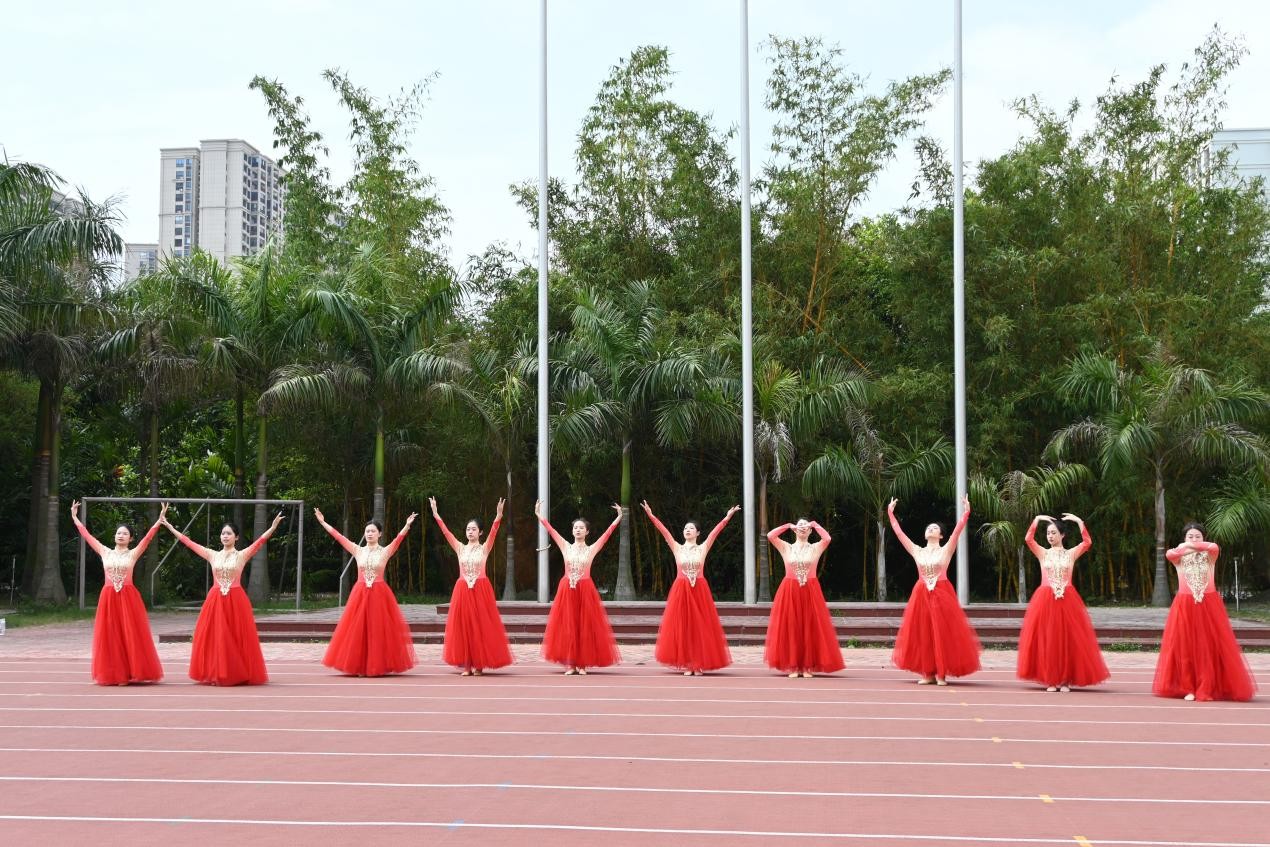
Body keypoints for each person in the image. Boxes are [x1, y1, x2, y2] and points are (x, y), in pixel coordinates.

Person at [162, 510, 283, 686]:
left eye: (229, 533)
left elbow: (260, 542)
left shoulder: (242, 555)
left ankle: (237, 672)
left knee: (236, 637)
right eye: (223, 533)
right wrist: (170, 526)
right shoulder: (212, 555)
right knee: (216, 637)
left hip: (236, 600)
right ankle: (216, 672)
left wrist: (273, 527)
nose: (225, 536)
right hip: (216, 600)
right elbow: (188, 542)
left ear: (236, 537)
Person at [1153, 523, 1257, 702]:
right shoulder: (1178, 556)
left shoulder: (1210, 553)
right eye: (1190, 536)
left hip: (1208, 604)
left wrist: (1188, 545)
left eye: (1198, 536)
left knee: (1207, 647)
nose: (1194, 539)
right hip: (1185, 604)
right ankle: (1188, 688)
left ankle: (1207, 686)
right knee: (1184, 647)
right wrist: (1187, 546)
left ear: (1203, 537)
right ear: (1184, 538)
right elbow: (1170, 553)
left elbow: (1213, 546)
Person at [70, 500, 167, 685]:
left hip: (128, 597)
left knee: (130, 634)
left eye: (125, 533)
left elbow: (147, 539)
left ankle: (131, 672)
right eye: (118, 533)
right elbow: (87, 536)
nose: (121, 535)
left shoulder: (133, 553)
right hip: (108, 598)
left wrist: (159, 520)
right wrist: (75, 518)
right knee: (110, 635)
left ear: (131, 539)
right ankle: (115, 673)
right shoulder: (105, 551)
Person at [889, 496, 981, 685]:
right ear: (925, 535)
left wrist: (966, 513)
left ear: (941, 536)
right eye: (929, 528)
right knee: (924, 633)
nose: (931, 529)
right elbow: (900, 534)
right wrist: (890, 513)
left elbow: (957, 532)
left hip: (942, 593)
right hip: (921, 594)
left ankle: (941, 673)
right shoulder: (917, 550)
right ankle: (927, 673)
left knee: (942, 634)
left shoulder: (946, 549)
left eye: (935, 528)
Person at [314, 508, 418, 677]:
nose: (369, 534)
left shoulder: (385, 551)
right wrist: (322, 522)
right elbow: (338, 536)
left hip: (379, 594)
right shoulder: (358, 550)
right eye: (367, 531)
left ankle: (378, 664)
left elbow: (398, 539)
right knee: (358, 630)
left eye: (373, 531)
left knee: (377, 629)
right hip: (360, 594)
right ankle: (359, 666)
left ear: (379, 534)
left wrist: (407, 525)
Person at [1016, 513, 1109, 692]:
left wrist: (1079, 521)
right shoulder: (1042, 553)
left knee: (1066, 640)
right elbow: (1028, 539)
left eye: (1053, 533)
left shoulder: (1070, 554)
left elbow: (1087, 542)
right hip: (1046, 600)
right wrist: (1037, 520)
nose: (1050, 536)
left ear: (1062, 535)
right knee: (1049, 640)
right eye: (1048, 533)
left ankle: (1065, 680)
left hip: (1067, 600)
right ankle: (1051, 680)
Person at [642, 501, 738, 675]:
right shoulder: (676, 547)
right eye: (685, 528)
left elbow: (716, 532)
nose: (687, 530)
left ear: (698, 533)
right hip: (681, 591)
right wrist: (651, 514)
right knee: (683, 628)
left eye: (691, 528)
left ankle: (698, 663)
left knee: (700, 628)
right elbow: (663, 531)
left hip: (699, 590)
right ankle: (687, 663)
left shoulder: (703, 548)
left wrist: (727, 517)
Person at [535, 500, 622, 674]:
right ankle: (570, 663)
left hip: (585, 591)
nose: (578, 530)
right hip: (567, 590)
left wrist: (619, 517)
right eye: (576, 527)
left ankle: (582, 664)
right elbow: (551, 531)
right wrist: (539, 515)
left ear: (587, 532)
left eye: (581, 528)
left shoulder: (592, 549)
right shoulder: (565, 546)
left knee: (584, 627)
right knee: (568, 627)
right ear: (572, 531)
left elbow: (607, 534)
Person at [431, 497, 513, 675]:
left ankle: (478, 664)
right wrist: (436, 514)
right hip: (462, 591)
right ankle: (467, 665)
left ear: (480, 532)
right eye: (468, 529)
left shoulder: (484, 548)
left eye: (474, 529)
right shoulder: (460, 547)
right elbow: (446, 533)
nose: (470, 532)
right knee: (464, 627)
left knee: (480, 627)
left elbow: (494, 532)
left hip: (480, 590)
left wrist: (498, 516)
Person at [763, 518, 845, 678]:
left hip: (810, 591)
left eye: (805, 526)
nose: (802, 527)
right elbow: (770, 535)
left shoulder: (815, 548)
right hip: (790, 591)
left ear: (810, 531)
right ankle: (793, 666)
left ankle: (807, 666)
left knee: (810, 627)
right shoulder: (786, 547)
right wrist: (788, 525)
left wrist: (814, 523)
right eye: (800, 525)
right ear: (795, 529)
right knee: (792, 627)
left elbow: (827, 538)